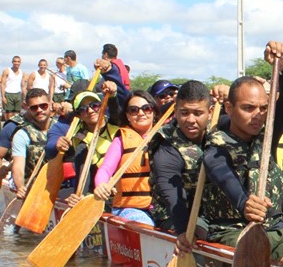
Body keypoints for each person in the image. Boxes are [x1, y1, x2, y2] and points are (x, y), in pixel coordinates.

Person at [200, 42, 283, 256]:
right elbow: (222, 173)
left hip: (276, 227)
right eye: (248, 108)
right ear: (229, 108)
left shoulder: (268, 134)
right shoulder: (216, 146)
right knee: (255, 252)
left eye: (263, 108)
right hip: (232, 231)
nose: (258, 115)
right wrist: (245, 203)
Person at [150, 81, 213, 244]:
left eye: (198, 113)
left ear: (210, 112)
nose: (190, 120)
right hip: (175, 216)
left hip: (210, 213)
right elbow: (172, 195)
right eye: (184, 113)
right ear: (175, 112)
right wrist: (185, 233)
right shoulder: (166, 146)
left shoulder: (219, 132)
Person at [92, 91, 160, 225]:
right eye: (133, 110)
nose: (141, 113)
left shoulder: (165, 137)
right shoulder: (120, 140)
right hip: (129, 208)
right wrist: (100, 185)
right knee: (145, 225)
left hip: (161, 209)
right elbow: (105, 169)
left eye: (146, 108)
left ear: (154, 111)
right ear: (128, 116)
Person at [47, 90, 120, 205]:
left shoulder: (117, 124)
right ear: (78, 116)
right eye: (83, 109)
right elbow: (83, 174)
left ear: (102, 106)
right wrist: (79, 196)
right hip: (100, 192)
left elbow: (116, 106)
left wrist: (113, 93)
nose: (90, 111)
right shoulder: (80, 141)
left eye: (94, 105)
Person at [9, 89, 55, 198]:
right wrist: (20, 187)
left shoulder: (62, 128)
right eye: (34, 108)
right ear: (28, 109)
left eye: (43, 106)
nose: (39, 110)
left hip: (59, 187)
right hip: (34, 189)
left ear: (50, 104)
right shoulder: (22, 135)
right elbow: (18, 166)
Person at [0, 56, 24, 122]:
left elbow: (23, 86)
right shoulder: (7, 71)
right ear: (12, 62)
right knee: (9, 115)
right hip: (8, 94)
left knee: (17, 115)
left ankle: (15, 130)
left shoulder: (22, 72)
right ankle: (8, 129)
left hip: (18, 94)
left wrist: (23, 97)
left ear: (20, 63)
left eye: (18, 61)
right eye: (15, 61)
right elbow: (2, 84)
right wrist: (3, 97)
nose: (16, 63)